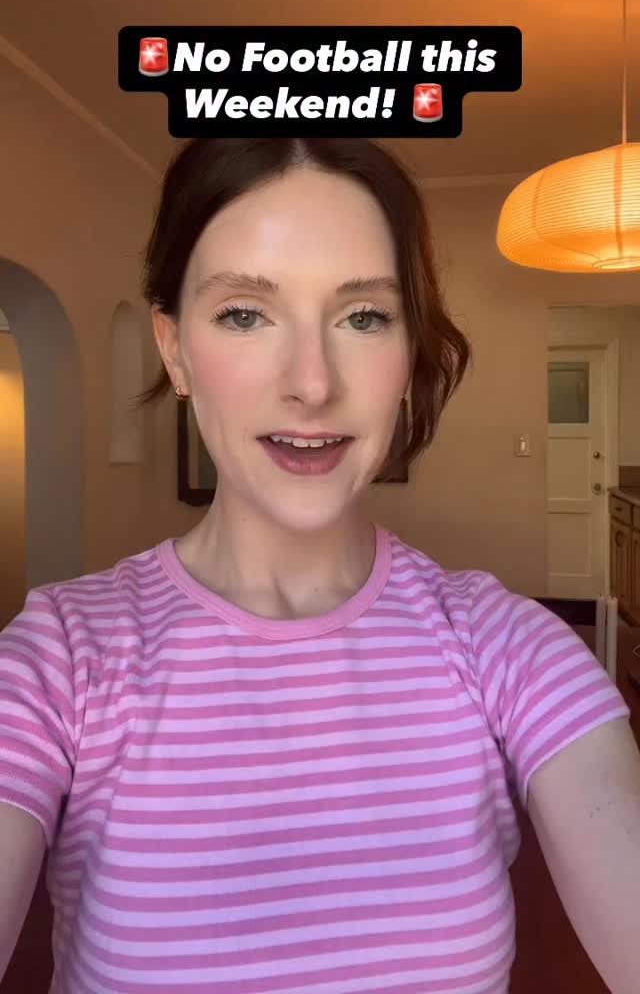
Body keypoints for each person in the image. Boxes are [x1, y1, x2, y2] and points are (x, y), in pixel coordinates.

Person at [1, 137, 638, 994]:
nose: (311, 383)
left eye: (364, 317)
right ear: (174, 349)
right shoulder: (61, 658)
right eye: (245, 313)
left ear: (409, 354)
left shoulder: (507, 649)